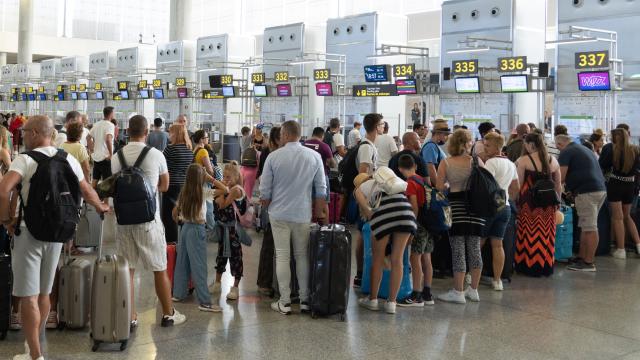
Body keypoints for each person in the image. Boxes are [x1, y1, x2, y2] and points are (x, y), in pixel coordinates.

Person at [0, 115, 109, 360]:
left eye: (26, 131)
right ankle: (34, 344)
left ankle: (35, 354)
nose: (23, 135)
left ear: (37, 133)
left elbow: (3, 189)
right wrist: (100, 207)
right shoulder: (68, 158)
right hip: (58, 231)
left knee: (28, 295)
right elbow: (85, 189)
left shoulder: (25, 159)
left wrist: (6, 220)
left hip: (28, 231)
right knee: (44, 293)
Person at [111, 115, 186, 328]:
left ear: (128, 131)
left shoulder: (117, 157)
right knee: (159, 268)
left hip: (124, 221)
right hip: (149, 221)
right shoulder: (156, 155)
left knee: (128, 270)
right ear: (147, 133)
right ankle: (168, 314)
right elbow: (164, 185)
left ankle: (131, 316)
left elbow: (115, 187)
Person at [259, 120, 326, 315]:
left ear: (285, 135)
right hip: (302, 213)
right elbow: (321, 189)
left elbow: (264, 191)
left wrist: (266, 204)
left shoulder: (273, 157)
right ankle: (305, 300)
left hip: (278, 213)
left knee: (282, 255)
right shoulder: (314, 156)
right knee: (301, 255)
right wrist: (320, 212)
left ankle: (285, 301)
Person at [356, 167, 416, 314]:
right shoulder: (395, 183)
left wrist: (370, 213)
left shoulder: (365, 185)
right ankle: (391, 303)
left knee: (377, 260)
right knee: (397, 260)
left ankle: (373, 300)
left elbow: (358, 196)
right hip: (406, 213)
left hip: (384, 213)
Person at [436, 129, 486, 304]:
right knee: (474, 248)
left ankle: (458, 292)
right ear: (467, 143)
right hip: (476, 208)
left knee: (458, 249)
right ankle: (474, 290)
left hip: (455, 207)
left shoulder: (446, 163)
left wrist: (451, 183)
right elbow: (485, 182)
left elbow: (439, 187)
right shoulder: (476, 161)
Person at [171, 164, 223, 312]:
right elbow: (225, 190)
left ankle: (178, 294)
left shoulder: (184, 192)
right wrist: (211, 178)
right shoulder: (203, 192)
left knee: (182, 262)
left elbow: (174, 213)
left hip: (185, 229)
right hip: (197, 229)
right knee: (199, 266)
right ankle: (205, 302)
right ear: (201, 178)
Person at [514, 133, 561, 277]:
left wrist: (515, 201)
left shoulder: (523, 161)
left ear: (530, 144)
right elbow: (558, 185)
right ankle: (544, 266)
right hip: (548, 204)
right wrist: (557, 203)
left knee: (527, 234)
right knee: (546, 235)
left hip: (529, 204)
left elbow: (518, 185)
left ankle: (528, 266)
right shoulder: (553, 160)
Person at [480, 132, 519, 290]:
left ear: (497, 147)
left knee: (479, 242)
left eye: (488, 146)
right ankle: (498, 281)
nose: (485, 148)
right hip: (505, 207)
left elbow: (485, 186)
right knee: (498, 244)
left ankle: (470, 275)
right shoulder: (511, 164)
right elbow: (516, 187)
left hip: (489, 207)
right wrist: (507, 198)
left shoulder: (491, 163)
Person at [350, 113, 383, 288]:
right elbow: (362, 173)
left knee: (364, 233)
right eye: (382, 124)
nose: (383, 127)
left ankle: (363, 272)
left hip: (369, 193)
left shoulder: (371, 146)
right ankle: (360, 273)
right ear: (376, 126)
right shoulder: (366, 148)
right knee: (362, 234)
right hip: (365, 195)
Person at [396, 155, 434, 307]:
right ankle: (427, 293)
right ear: (416, 167)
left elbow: (414, 206)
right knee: (427, 258)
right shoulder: (421, 180)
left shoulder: (410, 183)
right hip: (429, 224)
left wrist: (413, 226)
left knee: (415, 258)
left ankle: (416, 295)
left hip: (419, 225)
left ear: (400, 169)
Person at [598, 128, 640, 260]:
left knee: (617, 218)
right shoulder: (635, 150)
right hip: (631, 186)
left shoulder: (612, 150)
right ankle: (639, 244)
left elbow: (601, 165)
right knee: (627, 216)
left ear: (615, 138)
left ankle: (621, 250)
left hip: (616, 185)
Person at [209, 162, 247, 301]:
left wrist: (221, 190)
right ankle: (217, 283)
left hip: (233, 230)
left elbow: (222, 204)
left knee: (236, 258)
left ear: (236, 177)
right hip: (221, 228)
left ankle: (235, 287)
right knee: (220, 256)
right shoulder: (226, 188)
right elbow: (211, 194)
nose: (225, 179)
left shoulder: (238, 190)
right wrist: (223, 189)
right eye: (224, 176)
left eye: (229, 177)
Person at [256, 126, 281, 296]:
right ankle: (264, 282)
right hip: (271, 203)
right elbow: (262, 177)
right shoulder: (269, 154)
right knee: (269, 241)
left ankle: (275, 282)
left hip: (277, 203)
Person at [162, 124, 194, 244]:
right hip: (185, 186)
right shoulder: (189, 149)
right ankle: (183, 240)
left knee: (170, 216)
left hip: (171, 185)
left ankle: (171, 242)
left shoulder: (170, 149)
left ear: (175, 134)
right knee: (182, 213)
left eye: (171, 132)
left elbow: (163, 167)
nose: (169, 135)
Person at [304, 127, 336, 218]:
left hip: (306, 177)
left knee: (307, 202)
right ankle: (325, 228)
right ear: (322, 135)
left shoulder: (304, 144)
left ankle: (308, 227)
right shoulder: (324, 146)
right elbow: (332, 164)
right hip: (322, 177)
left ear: (313, 134)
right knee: (324, 203)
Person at [90, 106, 115, 189]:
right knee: (107, 182)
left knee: (95, 180)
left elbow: (88, 137)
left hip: (96, 157)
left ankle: (92, 200)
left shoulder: (96, 124)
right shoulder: (110, 125)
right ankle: (105, 202)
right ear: (111, 114)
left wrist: (92, 149)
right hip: (105, 158)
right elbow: (108, 139)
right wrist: (111, 154)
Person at [421, 121, 450, 187]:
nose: (447, 137)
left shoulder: (435, 145)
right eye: (445, 135)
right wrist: (438, 186)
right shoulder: (430, 147)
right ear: (438, 134)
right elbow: (430, 167)